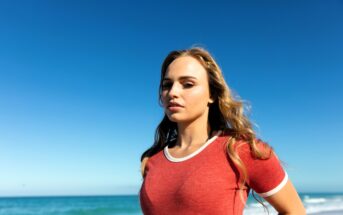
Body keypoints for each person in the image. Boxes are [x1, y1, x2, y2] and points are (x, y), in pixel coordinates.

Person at [139, 47, 305, 215]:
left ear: (211, 94)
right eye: (167, 85)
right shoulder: (153, 161)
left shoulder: (241, 149)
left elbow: (295, 211)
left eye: (188, 84)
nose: (172, 92)